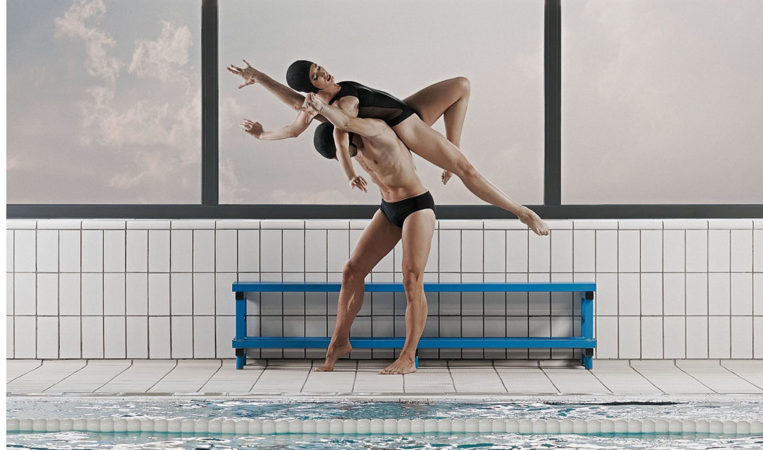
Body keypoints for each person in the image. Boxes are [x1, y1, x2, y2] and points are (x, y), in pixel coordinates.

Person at [227, 59, 550, 236]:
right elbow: (307, 127)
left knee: (461, 85)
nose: (324, 72)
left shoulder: (321, 96)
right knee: (466, 169)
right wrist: (262, 135)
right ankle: (521, 212)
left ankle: (451, 147)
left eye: (319, 67)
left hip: (405, 107)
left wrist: (258, 76)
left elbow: (293, 97)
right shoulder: (341, 103)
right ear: (314, 86)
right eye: (317, 75)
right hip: (406, 127)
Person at [301, 92, 437, 374]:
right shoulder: (350, 145)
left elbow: (344, 123)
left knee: (411, 279)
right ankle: (339, 341)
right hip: (389, 208)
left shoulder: (374, 129)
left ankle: (408, 357)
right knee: (352, 271)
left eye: (345, 150)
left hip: (416, 206)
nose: (348, 155)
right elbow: (300, 111)